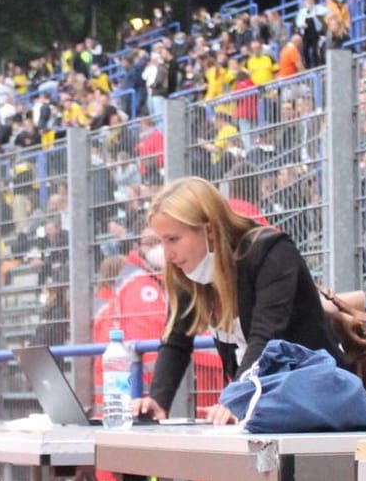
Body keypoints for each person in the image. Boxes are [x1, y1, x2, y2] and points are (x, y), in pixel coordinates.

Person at [130, 177, 343, 425]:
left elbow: (267, 339)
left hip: (320, 403)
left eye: (173, 239)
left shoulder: (271, 252)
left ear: (209, 230)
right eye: (161, 241)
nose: (167, 255)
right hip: (263, 409)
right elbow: (176, 341)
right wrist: (158, 401)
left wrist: (238, 398)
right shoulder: (188, 270)